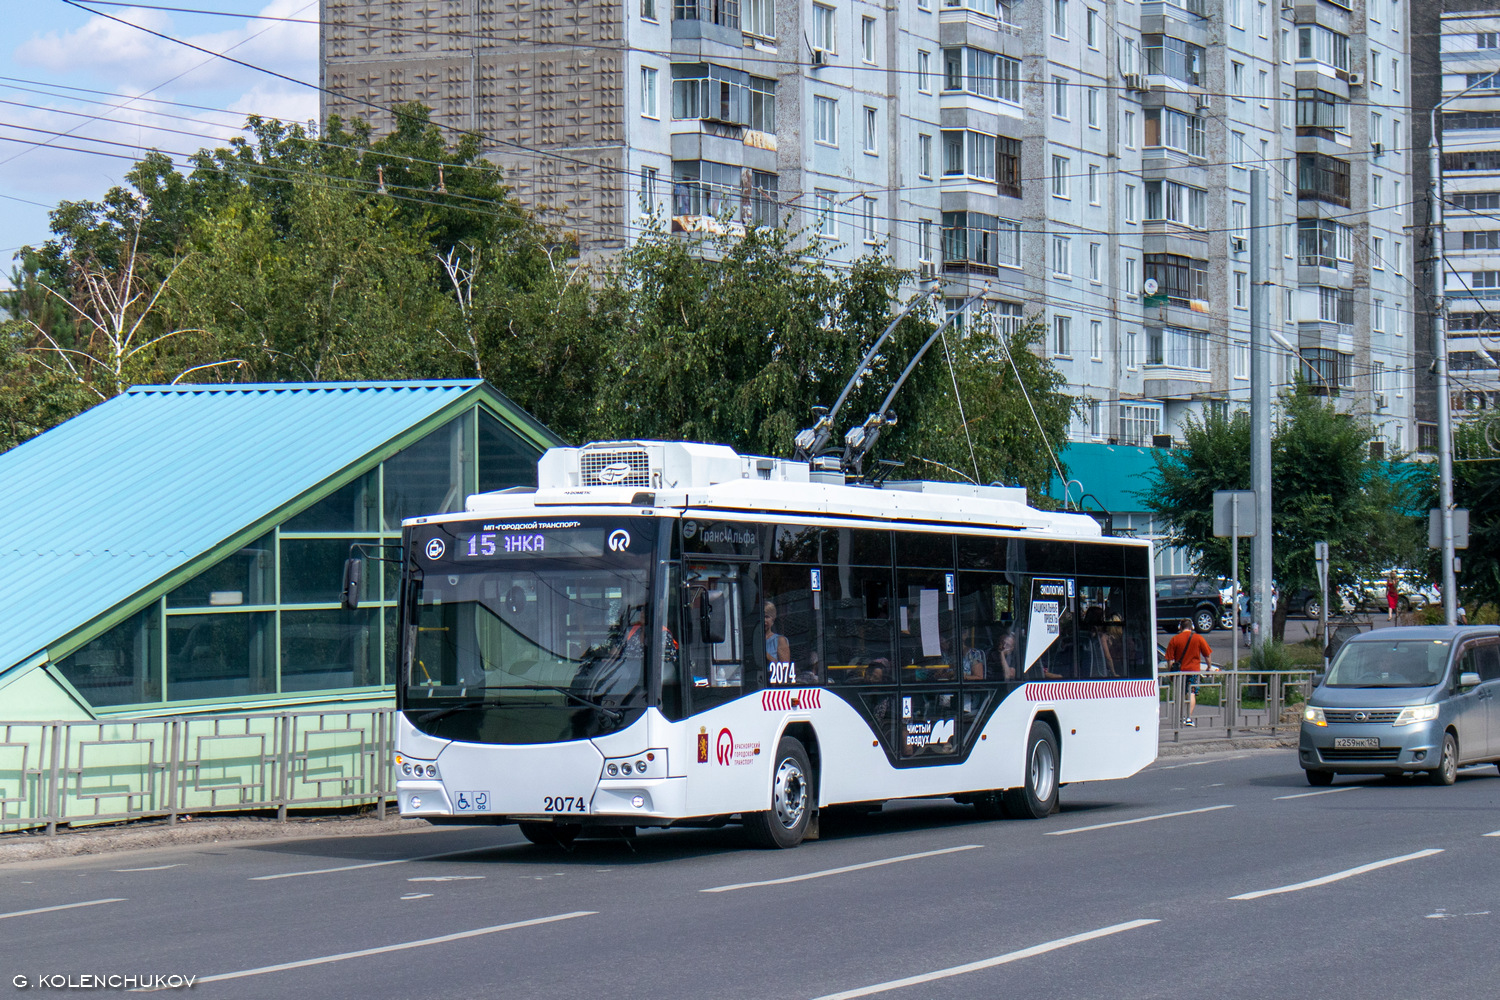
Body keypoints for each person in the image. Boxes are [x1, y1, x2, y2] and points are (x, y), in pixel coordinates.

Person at [1164, 617, 1212, 727]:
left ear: (1180, 627)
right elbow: (1207, 654)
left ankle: (1180, 717)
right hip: (1193, 671)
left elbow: (1170, 659)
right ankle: (1189, 718)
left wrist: (1171, 672)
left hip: (1179, 672)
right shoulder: (1198, 638)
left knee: (1180, 694)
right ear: (1192, 627)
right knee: (1191, 693)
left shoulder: (1175, 639)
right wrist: (1209, 667)